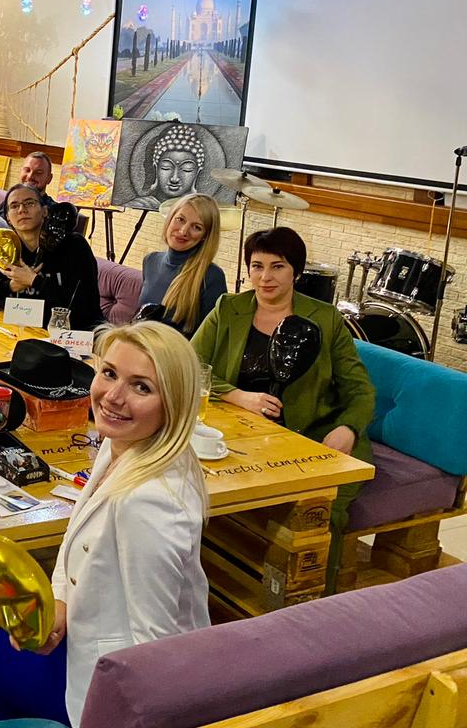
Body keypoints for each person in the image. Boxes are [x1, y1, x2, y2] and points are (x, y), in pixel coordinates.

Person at [0, 322, 209, 727]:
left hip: (108, 691)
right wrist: (60, 604)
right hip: (93, 634)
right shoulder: (122, 444)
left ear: (174, 404)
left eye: (142, 387)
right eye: (109, 374)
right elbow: (78, 551)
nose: (113, 397)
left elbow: (157, 651)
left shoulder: (148, 504)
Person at [191, 226, 374, 590]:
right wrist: (237, 395)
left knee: (319, 513)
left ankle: (316, 599)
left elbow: (360, 389)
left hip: (314, 437)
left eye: (278, 267)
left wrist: (348, 429)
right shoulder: (230, 308)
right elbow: (190, 363)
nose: (265, 277)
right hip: (242, 434)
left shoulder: (325, 319)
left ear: (297, 273)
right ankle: (220, 586)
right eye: (257, 266)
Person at [0, 184, 102, 330]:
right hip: (20, 332)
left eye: (29, 203)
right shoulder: (6, 246)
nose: (22, 210)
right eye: (14, 206)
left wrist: (34, 281)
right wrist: (10, 285)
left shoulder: (74, 246)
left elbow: (84, 307)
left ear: (44, 211)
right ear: (7, 217)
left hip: (70, 337)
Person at [138, 193, 227, 336]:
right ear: (170, 218)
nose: (183, 231)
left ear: (205, 236)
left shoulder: (212, 276)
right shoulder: (150, 261)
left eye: (196, 227)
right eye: (180, 219)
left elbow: (212, 338)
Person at [124, 123, 207, 211]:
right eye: (166, 167)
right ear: (156, 168)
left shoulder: (198, 211)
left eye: (187, 169)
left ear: (197, 173)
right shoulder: (141, 204)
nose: (174, 179)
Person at [0, 151, 55, 219]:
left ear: (49, 178)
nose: (30, 176)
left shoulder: (54, 211)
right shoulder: (9, 201)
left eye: (38, 173)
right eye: (27, 170)